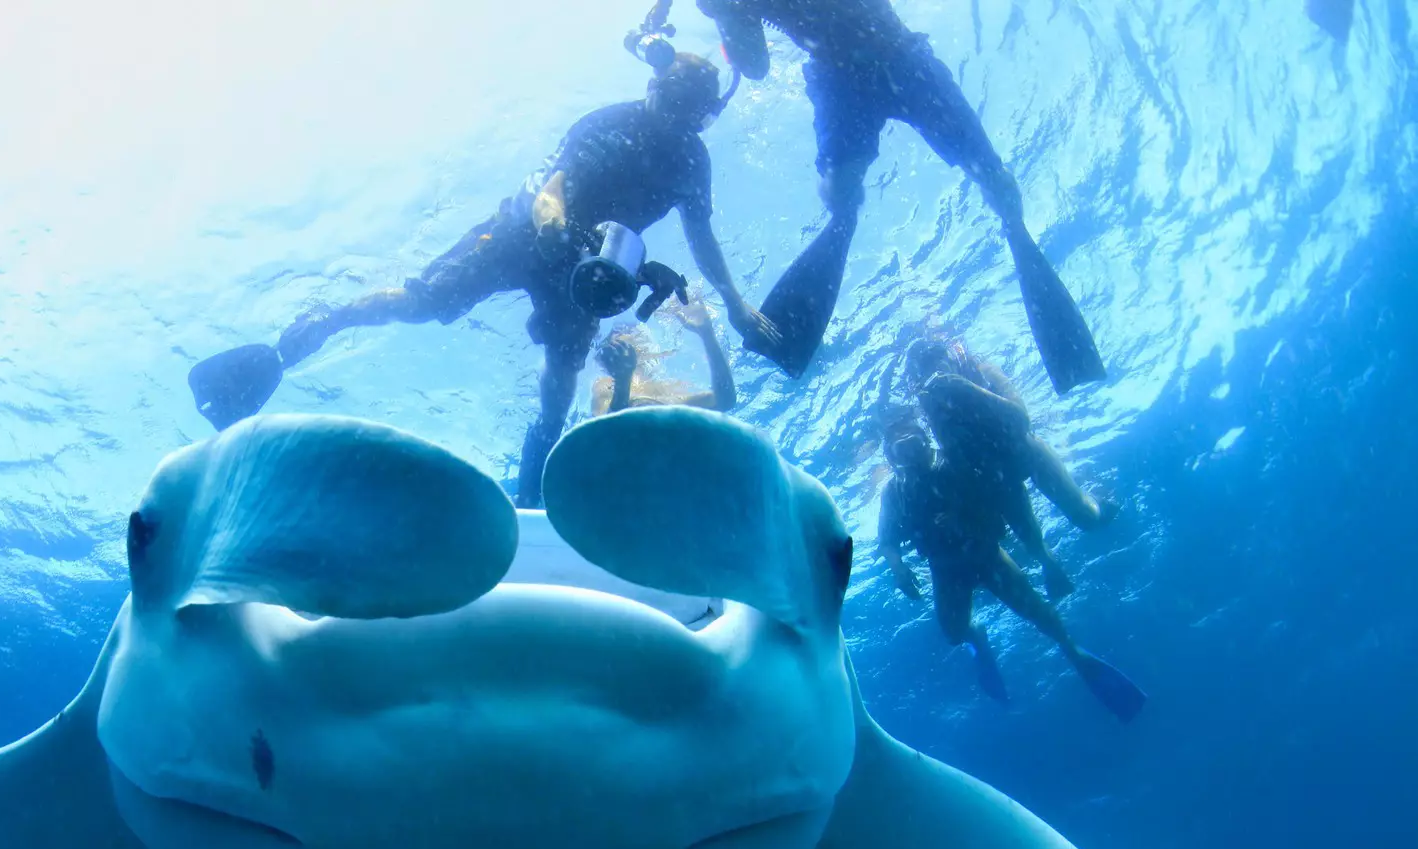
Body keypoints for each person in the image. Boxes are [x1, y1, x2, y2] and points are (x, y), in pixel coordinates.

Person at [185, 52, 780, 508]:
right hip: (523, 235)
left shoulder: (691, 161)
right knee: (421, 302)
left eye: (687, 109)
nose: (674, 114)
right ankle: (308, 333)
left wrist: (734, 301)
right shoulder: (609, 122)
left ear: (700, 112)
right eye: (670, 100)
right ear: (656, 90)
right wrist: (553, 225)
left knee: (559, 388)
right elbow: (553, 188)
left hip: (586, 271)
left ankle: (530, 506)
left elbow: (703, 239)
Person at [695, 0, 1107, 394]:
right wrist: (726, 12)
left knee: (994, 179)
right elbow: (755, 66)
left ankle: (1019, 240)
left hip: (900, 54)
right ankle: (809, 292)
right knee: (841, 196)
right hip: (838, 77)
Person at [877, 412, 1145, 720]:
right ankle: (976, 633)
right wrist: (899, 569)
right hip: (945, 568)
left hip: (986, 554)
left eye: (914, 444)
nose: (912, 455)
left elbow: (998, 500)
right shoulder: (894, 492)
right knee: (953, 633)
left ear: (926, 441)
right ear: (892, 457)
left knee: (1039, 613)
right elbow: (887, 540)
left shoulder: (954, 464)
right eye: (901, 450)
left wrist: (961, 518)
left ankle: (1072, 649)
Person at [900, 333, 1116, 601]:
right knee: (1036, 547)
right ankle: (1052, 569)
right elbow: (957, 459)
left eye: (939, 364)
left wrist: (965, 387)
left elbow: (1020, 420)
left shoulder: (981, 371)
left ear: (952, 358)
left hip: (1024, 451)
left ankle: (1099, 499)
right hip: (994, 478)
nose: (937, 374)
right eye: (928, 371)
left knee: (1085, 517)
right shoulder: (931, 405)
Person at [591, 299, 740, 415]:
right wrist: (623, 380)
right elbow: (606, 426)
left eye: (637, 334)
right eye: (624, 334)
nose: (635, 336)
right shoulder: (605, 385)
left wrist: (707, 333)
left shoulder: (669, 390)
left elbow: (724, 400)